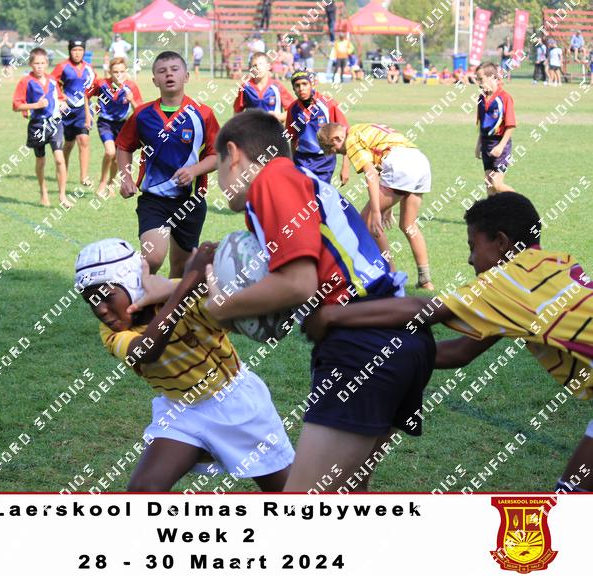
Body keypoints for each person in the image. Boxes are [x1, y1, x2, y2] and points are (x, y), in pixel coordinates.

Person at [205, 110, 434, 492]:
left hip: (363, 339)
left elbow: (298, 284)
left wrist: (222, 307)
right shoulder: (300, 180)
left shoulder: (273, 179)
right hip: (396, 333)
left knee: (303, 502)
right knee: (348, 494)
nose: (218, 182)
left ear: (234, 154)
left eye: (217, 168)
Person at [302, 192, 593, 493]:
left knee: (571, 496)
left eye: (472, 247)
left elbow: (424, 308)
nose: (470, 259)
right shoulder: (554, 263)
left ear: (501, 242)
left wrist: (333, 315)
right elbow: (460, 352)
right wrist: (389, 356)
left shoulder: (508, 280)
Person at [75, 238, 294, 491]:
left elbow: (228, 310)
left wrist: (210, 271)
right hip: (181, 411)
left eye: (106, 296)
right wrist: (187, 283)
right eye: (91, 301)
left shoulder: (181, 293)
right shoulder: (112, 332)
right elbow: (146, 350)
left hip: (235, 405)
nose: (100, 310)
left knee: (288, 492)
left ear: (132, 282)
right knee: (143, 491)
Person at [115, 51, 219, 278]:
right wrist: (126, 177)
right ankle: (135, 297)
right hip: (154, 200)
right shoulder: (142, 114)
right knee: (152, 258)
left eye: (174, 69)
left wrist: (194, 170)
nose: (169, 75)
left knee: (181, 269)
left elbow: (217, 155)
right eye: (162, 71)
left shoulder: (203, 114)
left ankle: (166, 303)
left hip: (190, 202)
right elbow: (123, 146)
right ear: (155, 80)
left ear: (186, 76)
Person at [317, 122, 434, 290]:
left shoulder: (351, 140)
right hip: (419, 161)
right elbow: (382, 162)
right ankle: (425, 280)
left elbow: (371, 173)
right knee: (408, 225)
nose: (334, 153)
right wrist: (387, 206)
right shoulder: (361, 129)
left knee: (367, 221)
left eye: (331, 149)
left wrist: (377, 211)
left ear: (336, 138)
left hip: (400, 164)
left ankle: (391, 276)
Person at [12, 47, 71, 208]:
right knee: (40, 161)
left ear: (47, 63)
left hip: (55, 123)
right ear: (31, 64)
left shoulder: (52, 80)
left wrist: (63, 104)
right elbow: (16, 106)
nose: (39, 66)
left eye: (42, 63)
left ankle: (62, 196)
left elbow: (59, 98)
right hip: (37, 126)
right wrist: (36, 105)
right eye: (36, 63)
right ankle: (43, 192)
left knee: (59, 159)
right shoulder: (25, 82)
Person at [88, 56, 142, 197]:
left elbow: (140, 112)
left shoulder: (131, 86)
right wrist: (88, 114)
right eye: (115, 72)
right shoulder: (101, 84)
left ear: (126, 72)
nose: (119, 75)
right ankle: (102, 182)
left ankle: (111, 184)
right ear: (110, 72)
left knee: (118, 158)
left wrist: (132, 101)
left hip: (123, 125)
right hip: (105, 123)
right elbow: (85, 95)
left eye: (122, 72)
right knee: (110, 152)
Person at [285, 70, 348, 184]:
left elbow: (345, 134)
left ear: (312, 84)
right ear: (293, 89)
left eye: (305, 84)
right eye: (297, 85)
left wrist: (345, 166)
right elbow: (293, 138)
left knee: (318, 192)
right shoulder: (293, 109)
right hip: (301, 159)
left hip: (324, 161)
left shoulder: (328, 104)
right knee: (301, 192)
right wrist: (293, 162)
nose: (301, 88)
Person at [51, 39, 96, 187]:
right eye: (74, 50)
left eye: (80, 50)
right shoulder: (62, 66)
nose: (77, 53)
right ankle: (62, 170)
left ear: (84, 51)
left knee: (83, 140)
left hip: (83, 108)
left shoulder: (88, 68)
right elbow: (52, 83)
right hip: (66, 110)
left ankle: (84, 177)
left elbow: (94, 85)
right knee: (69, 143)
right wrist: (60, 98)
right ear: (69, 51)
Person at [475, 62, 515, 196]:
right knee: (489, 186)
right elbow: (482, 124)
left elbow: (510, 125)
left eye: (481, 79)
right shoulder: (481, 98)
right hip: (486, 144)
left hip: (501, 144)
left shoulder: (505, 97)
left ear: (492, 77)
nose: (478, 83)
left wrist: (501, 146)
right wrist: (478, 145)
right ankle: (495, 211)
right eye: (477, 79)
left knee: (496, 184)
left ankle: (521, 203)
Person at [233, 52, 294, 123]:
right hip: (251, 129)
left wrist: (280, 117)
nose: (258, 67)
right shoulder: (245, 87)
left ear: (268, 66)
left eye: (261, 64)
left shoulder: (277, 86)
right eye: (254, 65)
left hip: (273, 129)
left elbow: (293, 109)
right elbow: (237, 112)